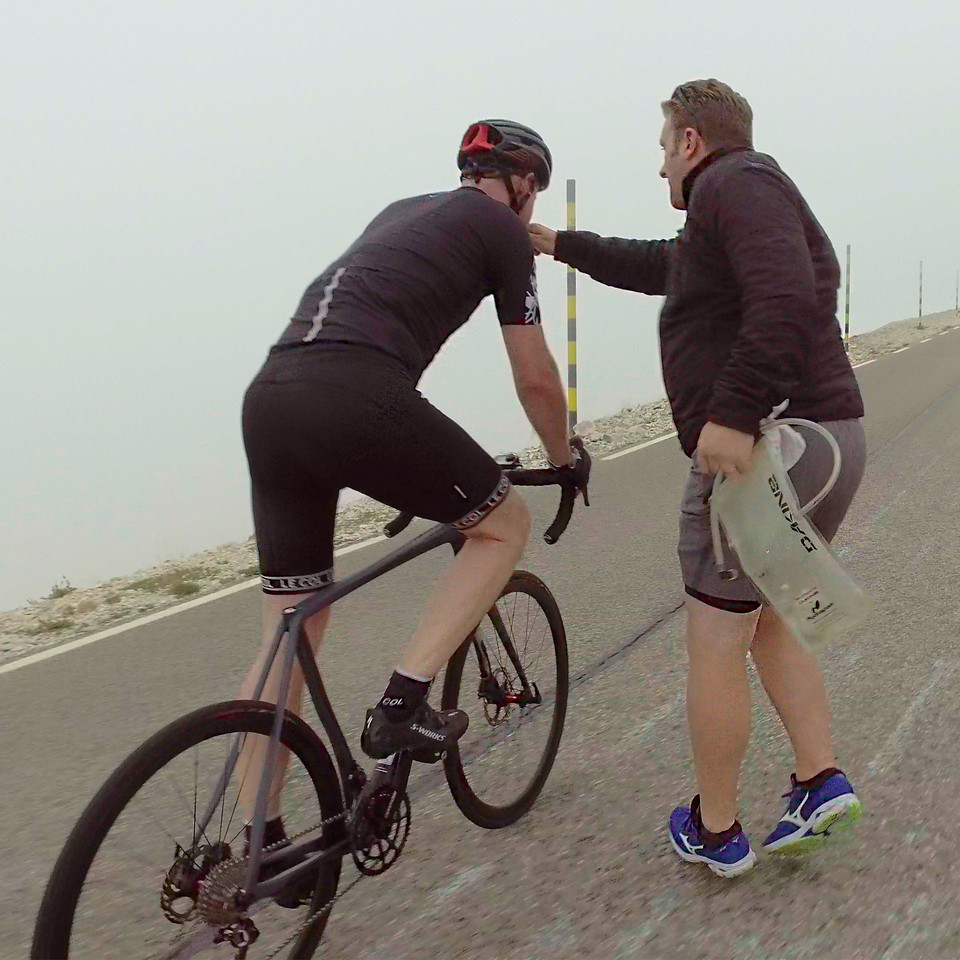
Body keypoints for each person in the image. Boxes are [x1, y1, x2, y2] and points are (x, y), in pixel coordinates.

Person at [529, 79, 865, 876]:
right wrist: (553, 242)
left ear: (690, 142)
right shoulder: (733, 207)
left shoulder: (736, 182)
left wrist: (735, 411)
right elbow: (659, 265)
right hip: (824, 438)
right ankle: (819, 781)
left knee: (714, 638)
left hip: (775, 445)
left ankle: (715, 831)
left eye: (661, 148)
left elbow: (787, 294)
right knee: (768, 620)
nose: (659, 171)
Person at [237, 119, 589, 857]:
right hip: (355, 392)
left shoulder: (400, 212)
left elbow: (385, 324)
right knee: (503, 525)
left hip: (273, 395)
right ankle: (402, 703)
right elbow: (534, 376)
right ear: (521, 183)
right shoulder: (499, 229)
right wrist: (564, 457)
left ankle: (258, 844)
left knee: (289, 630)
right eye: (537, 189)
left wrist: (401, 465)